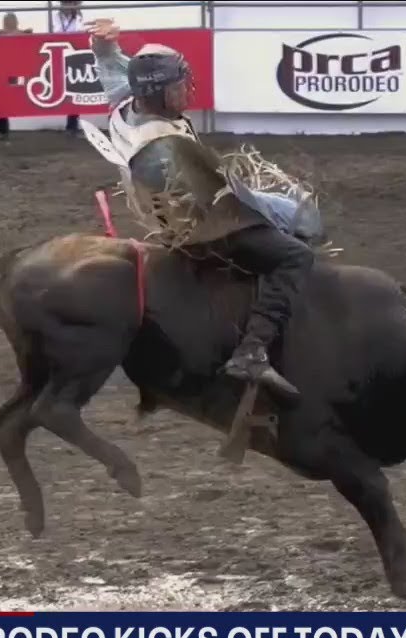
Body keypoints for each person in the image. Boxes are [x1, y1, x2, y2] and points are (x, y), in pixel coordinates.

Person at [86, 18, 319, 396]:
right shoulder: (162, 151)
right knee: (297, 252)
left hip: (175, 213)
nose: (185, 91)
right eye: (177, 86)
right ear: (158, 92)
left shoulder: (127, 105)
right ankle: (253, 350)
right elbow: (220, 201)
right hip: (203, 227)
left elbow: (113, 71)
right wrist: (274, 208)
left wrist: (104, 48)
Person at [0, 13, 32, 141]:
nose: (11, 23)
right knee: (3, 102)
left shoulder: (18, 33)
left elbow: (27, 35)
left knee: (9, 100)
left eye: (12, 20)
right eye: (8, 20)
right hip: (1, 73)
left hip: (15, 72)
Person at [58, 1, 84, 136]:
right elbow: (55, 33)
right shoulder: (55, 16)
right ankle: (71, 126)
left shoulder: (79, 17)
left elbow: (81, 33)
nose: (71, 6)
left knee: (75, 89)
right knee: (66, 89)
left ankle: (72, 125)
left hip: (74, 55)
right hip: (60, 55)